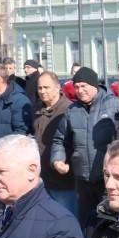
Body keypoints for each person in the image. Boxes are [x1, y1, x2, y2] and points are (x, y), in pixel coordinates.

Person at [51, 67, 119, 230]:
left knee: (109, 223)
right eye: (76, 87)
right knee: (87, 225)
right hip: (83, 181)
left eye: (84, 86)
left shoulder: (114, 104)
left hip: (107, 179)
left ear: (94, 85)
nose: (80, 90)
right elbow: (59, 139)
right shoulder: (72, 111)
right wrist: (57, 159)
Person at [32, 71, 75, 214]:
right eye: (39, 88)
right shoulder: (37, 109)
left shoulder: (69, 110)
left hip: (63, 182)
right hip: (42, 180)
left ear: (58, 87)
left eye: (46, 87)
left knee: (68, 221)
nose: (42, 91)